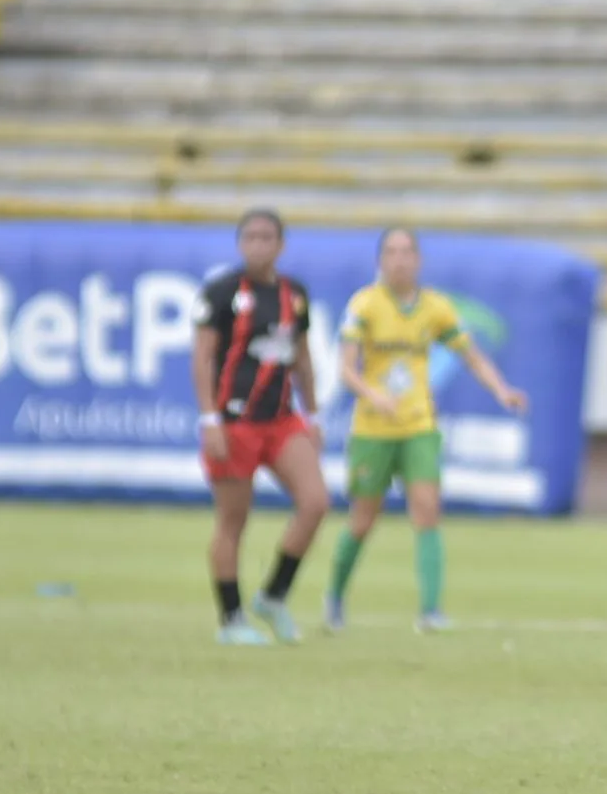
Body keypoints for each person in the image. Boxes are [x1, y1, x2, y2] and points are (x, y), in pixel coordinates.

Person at [325, 228, 527, 633]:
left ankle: (431, 611)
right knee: (363, 519)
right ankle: (335, 597)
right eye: (392, 252)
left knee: (427, 512)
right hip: (373, 429)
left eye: (406, 252)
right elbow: (346, 368)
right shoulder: (364, 304)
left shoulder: (435, 307)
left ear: (418, 260)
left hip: (419, 425)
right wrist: (373, 395)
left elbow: (471, 354)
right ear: (380, 260)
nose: (400, 259)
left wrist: (501, 390)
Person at [192, 208, 328, 645]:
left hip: (282, 418)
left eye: (266, 237)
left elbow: (302, 358)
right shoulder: (221, 292)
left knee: (316, 502)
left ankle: (274, 594)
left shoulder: (294, 294)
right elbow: (203, 358)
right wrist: (210, 417)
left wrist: (314, 413)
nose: (258, 245)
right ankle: (231, 619)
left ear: (281, 244)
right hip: (234, 421)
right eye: (249, 237)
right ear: (239, 243)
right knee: (234, 520)